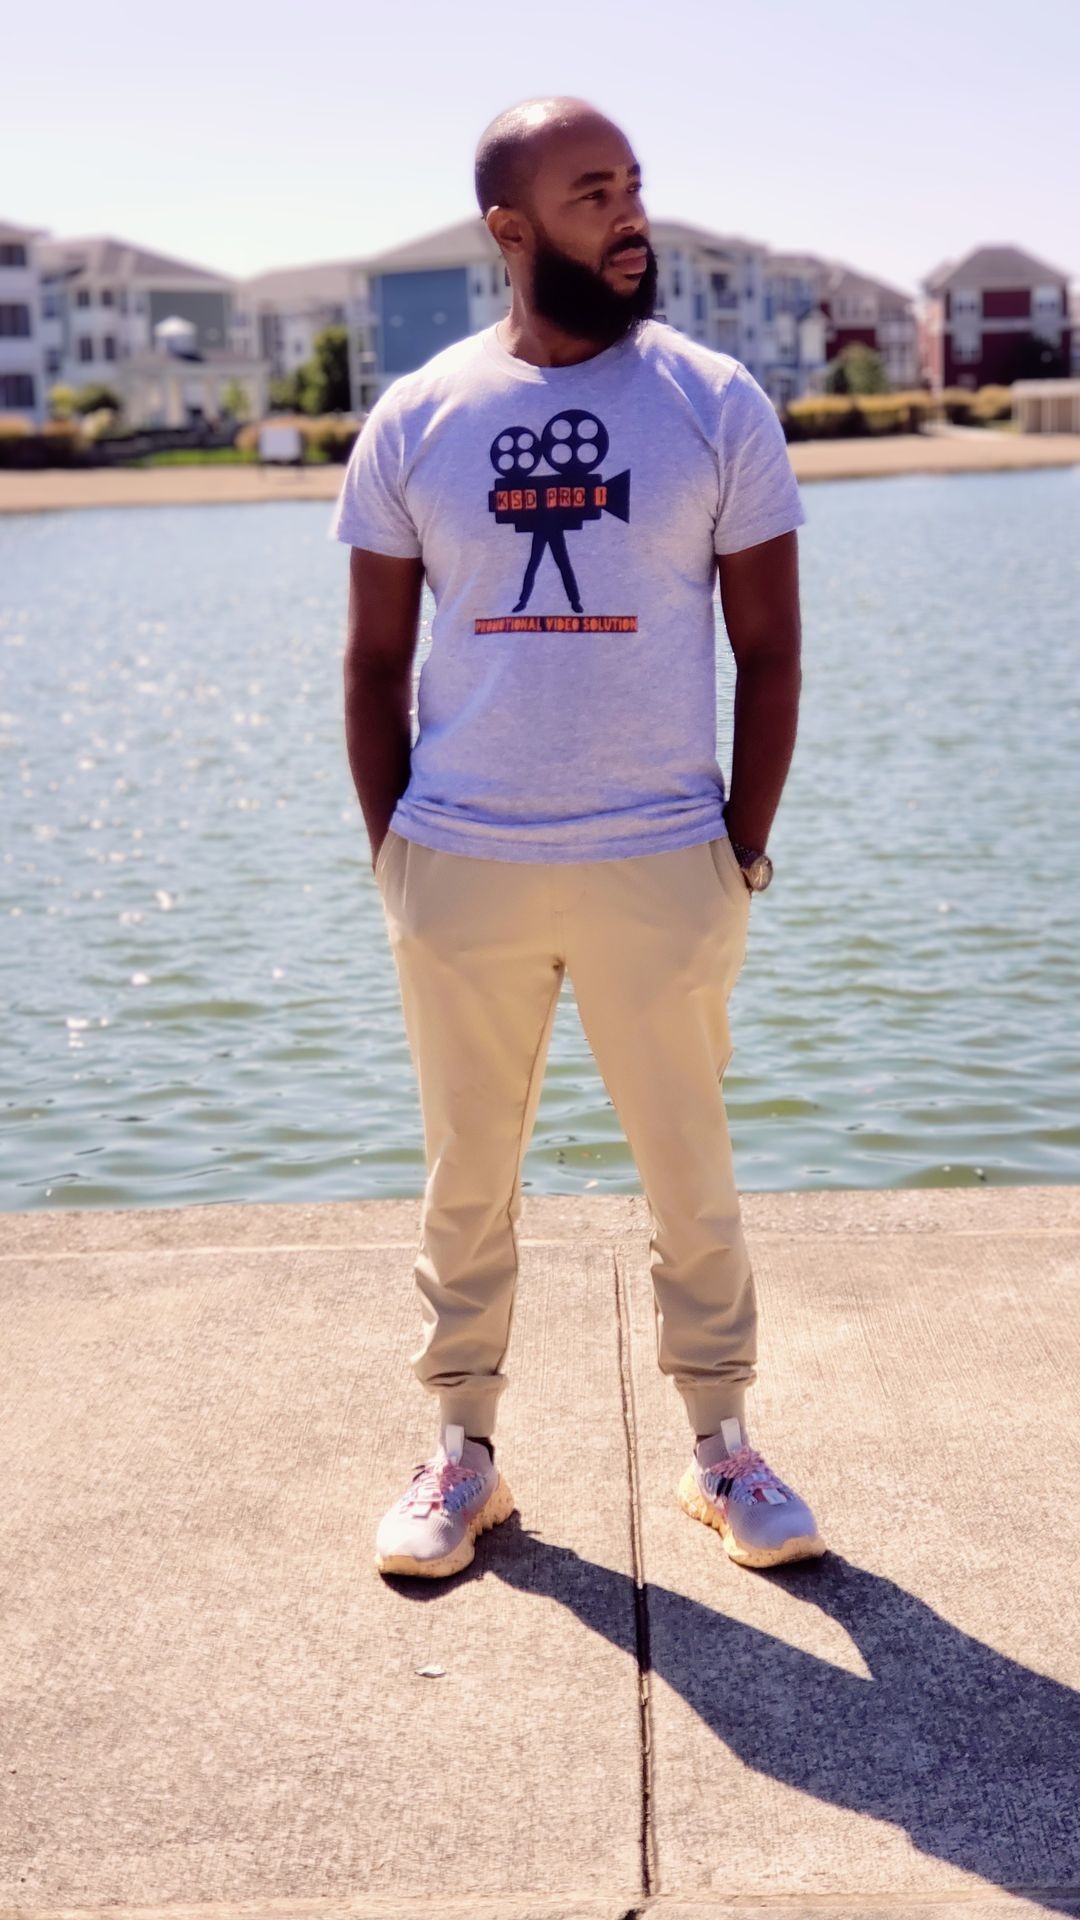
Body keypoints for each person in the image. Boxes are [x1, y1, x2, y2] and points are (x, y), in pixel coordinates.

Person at [329, 95, 827, 1580]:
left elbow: (774, 648)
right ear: (510, 228)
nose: (629, 216)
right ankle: (461, 1454)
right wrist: (397, 860)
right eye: (590, 190)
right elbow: (369, 662)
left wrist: (736, 847)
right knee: (465, 1178)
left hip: (659, 860)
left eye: (634, 186)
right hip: (462, 866)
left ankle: (723, 1450)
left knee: (692, 1175)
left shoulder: (713, 401)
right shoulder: (416, 415)